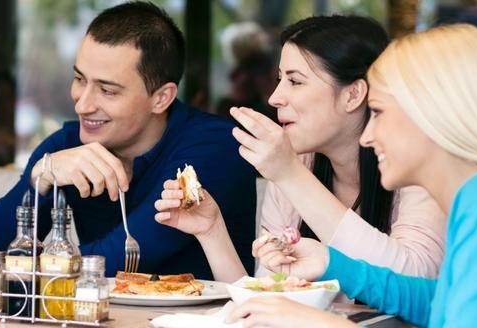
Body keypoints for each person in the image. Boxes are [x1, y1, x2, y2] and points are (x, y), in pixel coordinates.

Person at [0, 1, 257, 279]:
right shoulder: (67, 146)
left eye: (107, 90)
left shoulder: (214, 146)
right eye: (80, 80)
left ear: (161, 98)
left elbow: (124, 255)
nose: (82, 104)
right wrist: (39, 180)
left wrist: (32, 268)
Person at [227, 23, 477, 328]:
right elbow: (438, 302)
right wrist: (331, 263)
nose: (367, 136)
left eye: (377, 111)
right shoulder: (473, 198)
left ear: (432, 114)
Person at [155, 15, 444, 282]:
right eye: (280, 79)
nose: (275, 98)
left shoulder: (416, 162)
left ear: (353, 94)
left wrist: (289, 174)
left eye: (295, 81)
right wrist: (212, 230)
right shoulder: (298, 166)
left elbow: (415, 280)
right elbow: (269, 293)